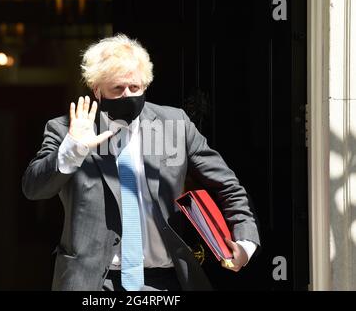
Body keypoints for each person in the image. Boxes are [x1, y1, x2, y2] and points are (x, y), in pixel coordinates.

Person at [22, 34, 260, 291]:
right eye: (117, 89)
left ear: (146, 85)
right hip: (95, 282)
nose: (127, 95)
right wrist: (73, 149)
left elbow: (227, 185)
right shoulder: (67, 128)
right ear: (97, 89)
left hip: (166, 280)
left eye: (135, 88)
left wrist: (245, 241)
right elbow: (34, 188)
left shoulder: (175, 125)